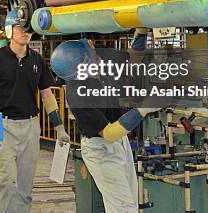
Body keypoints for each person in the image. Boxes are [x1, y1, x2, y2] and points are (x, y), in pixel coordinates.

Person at [49, 31, 160, 213]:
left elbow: (131, 58)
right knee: (122, 207)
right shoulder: (77, 95)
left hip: (120, 142)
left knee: (131, 201)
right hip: (100, 149)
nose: (99, 58)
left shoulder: (99, 68)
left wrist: (141, 31)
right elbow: (108, 133)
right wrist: (144, 109)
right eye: (93, 59)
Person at [0, 8, 70, 213]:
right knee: (7, 182)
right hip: (3, 127)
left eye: (28, 28)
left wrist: (59, 127)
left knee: (25, 186)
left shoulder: (37, 61)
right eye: (20, 27)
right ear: (9, 30)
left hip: (30, 128)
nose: (25, 32)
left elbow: (47, 96)